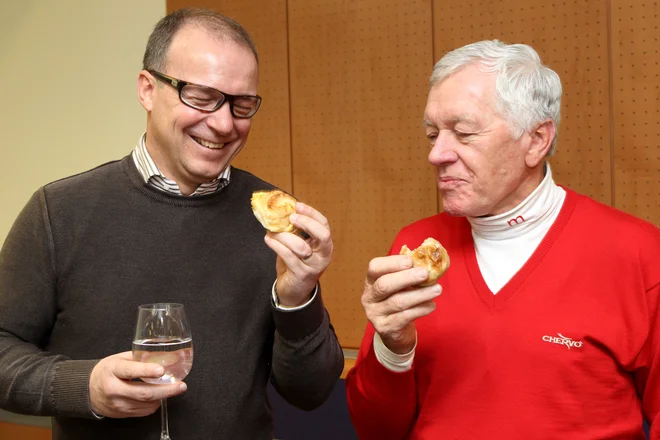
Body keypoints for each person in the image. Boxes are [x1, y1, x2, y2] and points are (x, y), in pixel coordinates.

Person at [0, 8, 343, 440]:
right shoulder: (58, 213)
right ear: (147, 89)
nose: (223, 124)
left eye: (242, 104)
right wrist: (83, 388)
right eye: (200, 96)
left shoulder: (275, 222)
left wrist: (298, 298)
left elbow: (310, 392)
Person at [345, 40, 659, 439]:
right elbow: (376, 430)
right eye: (432, 134)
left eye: (464, 133)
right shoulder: (415, 247)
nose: (437, 154)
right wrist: (393, 347)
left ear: (536, 140)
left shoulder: (637, 253)